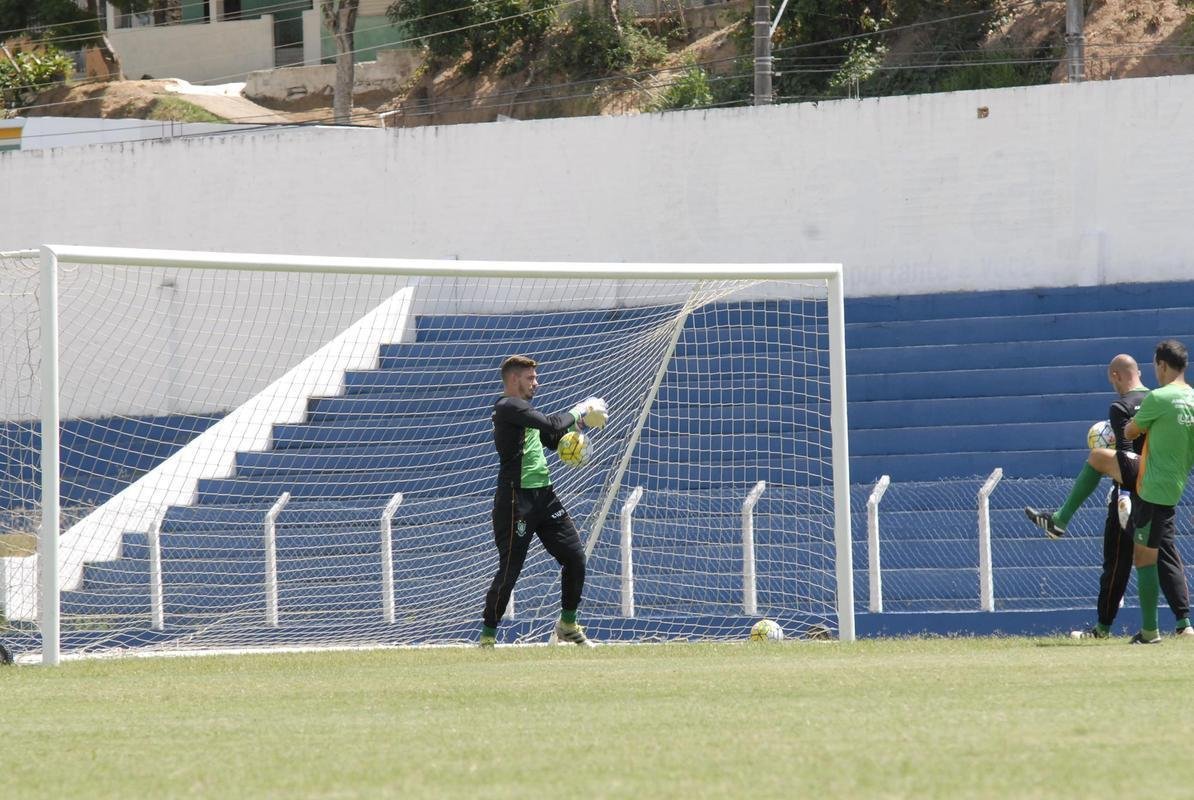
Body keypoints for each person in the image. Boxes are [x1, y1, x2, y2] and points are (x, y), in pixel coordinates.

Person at [1027, 355, 1191, 638]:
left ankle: (1105, 627)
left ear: (1116, 376)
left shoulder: (1120, 407)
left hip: (1135, 484)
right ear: (1139, 372)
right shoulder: (1160, 399)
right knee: (1163, 555)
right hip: (1164, 484)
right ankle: (1183, 624)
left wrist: (1124, 491)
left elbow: (1126, 452)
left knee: (1117, 561)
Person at [480, 355, 607, 648]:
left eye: (536, 377)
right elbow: (552, 424)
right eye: (531, 378)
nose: (537, 383)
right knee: (510, 570)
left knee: (575, 557)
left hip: (545, 497)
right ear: (514, 380)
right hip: (515, 500)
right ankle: (487, 637)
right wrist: (581, 409)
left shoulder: (524, 413)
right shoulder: (507, 406)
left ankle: (567, 623)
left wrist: (580, 432)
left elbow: (554, 437)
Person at [1121, 340, 1194, 644]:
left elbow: (1129, 432)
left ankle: (1150, 631)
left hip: (1151, 487)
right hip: (1176, 484)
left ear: (1162, 365)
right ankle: (1184, 621)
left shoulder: (1159, 398)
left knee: (1144, 557)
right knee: (1164, 552)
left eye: (1154, 365)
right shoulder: (1192, 398)